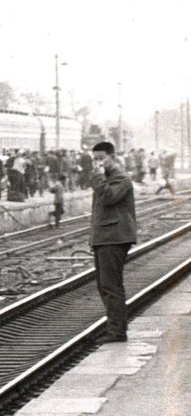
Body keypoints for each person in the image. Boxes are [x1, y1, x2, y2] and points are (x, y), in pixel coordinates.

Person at [89, 141, 136, 343]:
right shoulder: (107, 178)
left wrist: (98, 176)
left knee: (111, 285)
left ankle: (117, 332)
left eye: (101, 158)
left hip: (114, 237)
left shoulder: (120, 178)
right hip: (105, 237)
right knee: (104, 285)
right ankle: (114, 326)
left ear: (112, 156)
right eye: (95, 159)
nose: (98, 163)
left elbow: (109, 198)